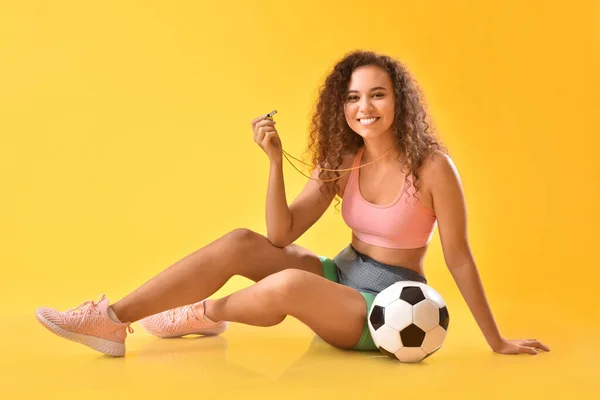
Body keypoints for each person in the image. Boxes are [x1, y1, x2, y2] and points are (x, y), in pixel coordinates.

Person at [35, 50, 550, 357]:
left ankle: (203, 311)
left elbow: (458, 257)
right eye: (352, 97)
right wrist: (276, 162)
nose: (364, 108)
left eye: (377, 94)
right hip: (340, 274)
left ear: (400, 101)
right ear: (340, 105)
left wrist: (497, 340)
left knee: (287, 285)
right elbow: (280, 235)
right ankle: (112, 320)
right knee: (241, 242)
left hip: (385, 306)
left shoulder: (433, 167)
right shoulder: (345, 158)